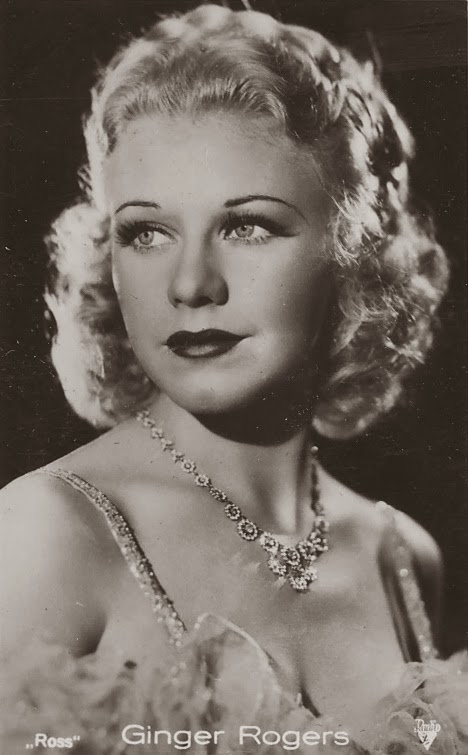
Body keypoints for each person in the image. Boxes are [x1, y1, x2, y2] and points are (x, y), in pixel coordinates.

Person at [1, 4, 466, 753]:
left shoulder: (402, 556)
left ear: (354, 250)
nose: (190, 284)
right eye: (147, 232)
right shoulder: (43, 536)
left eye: (247, 225)